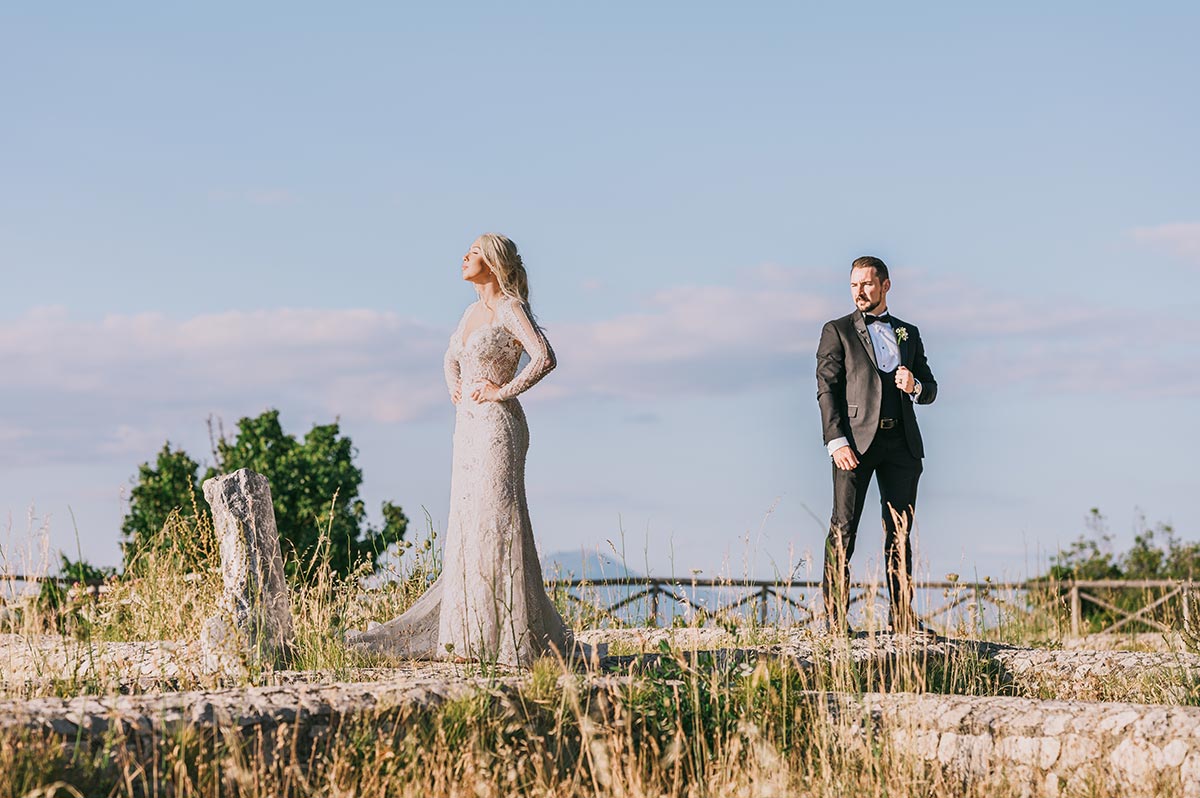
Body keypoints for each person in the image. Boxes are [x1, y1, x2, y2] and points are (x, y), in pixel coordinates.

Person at [349, 233, 580, 666]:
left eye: (473, 251)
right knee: (469, 523)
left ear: (492, 262)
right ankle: (468, 638)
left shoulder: (510, 309)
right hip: (467, 430)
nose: (464, 256)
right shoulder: (470, 312)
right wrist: (455, 386)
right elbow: (449, 357)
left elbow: (544, 357)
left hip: (497, 426)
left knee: (497, 520)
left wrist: (502, 392)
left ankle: (508, 639)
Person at [815, 256, 938, 634]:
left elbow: (931, 388)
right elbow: (827, 389)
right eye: (854, 285)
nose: (859, 292)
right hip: (854, 444)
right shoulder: (837, 331)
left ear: (885, 285)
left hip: (901, 444)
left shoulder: (908, 333)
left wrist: (913, 385)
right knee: (843, 528)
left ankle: (902, 618)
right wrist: (836, 440)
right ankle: (835, 620)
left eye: (867, 284)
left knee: (899, 531)